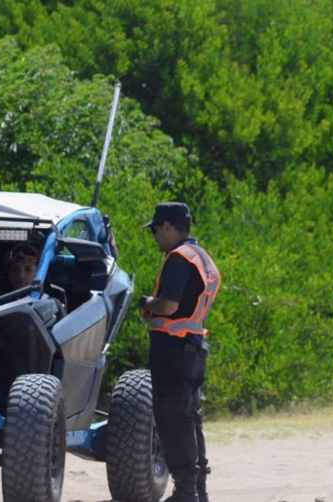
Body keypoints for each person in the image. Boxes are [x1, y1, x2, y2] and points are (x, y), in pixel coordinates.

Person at [136, 202, 219, 502]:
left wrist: (147, 302)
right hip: (193, 348)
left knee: (173, 421)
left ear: (169, 227)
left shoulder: (178, 258)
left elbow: (169, 306)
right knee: (190, 419)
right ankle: (198, 491)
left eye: (156, 230)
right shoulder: (202, 258)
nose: (155, 236)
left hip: (174, 352)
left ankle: (185, 493)